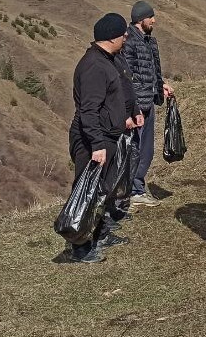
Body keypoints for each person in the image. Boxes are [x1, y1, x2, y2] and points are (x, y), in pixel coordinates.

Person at [67, 13, 141, 263]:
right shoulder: (94, 66)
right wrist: (97, 144)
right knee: (88, 192)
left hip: (106, 134)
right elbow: (89, 109)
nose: (126, 37)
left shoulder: (106, 60)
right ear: (112, 37)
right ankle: (80, 247)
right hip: (92, 139)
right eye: (123, 34)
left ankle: (99, 234)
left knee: (103, 190)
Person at [122, 1, 174, 208]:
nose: (154, 20)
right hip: (137, 104)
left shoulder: (149, 41)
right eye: (150, 17)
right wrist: (133, 107)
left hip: (148, 101)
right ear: (141, 19)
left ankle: (136, 187)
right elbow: (128, 76)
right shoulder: (129, 42)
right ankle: (134, 190)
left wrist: (160, 86)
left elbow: (151, 71)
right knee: (136, 148)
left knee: (146, 149)